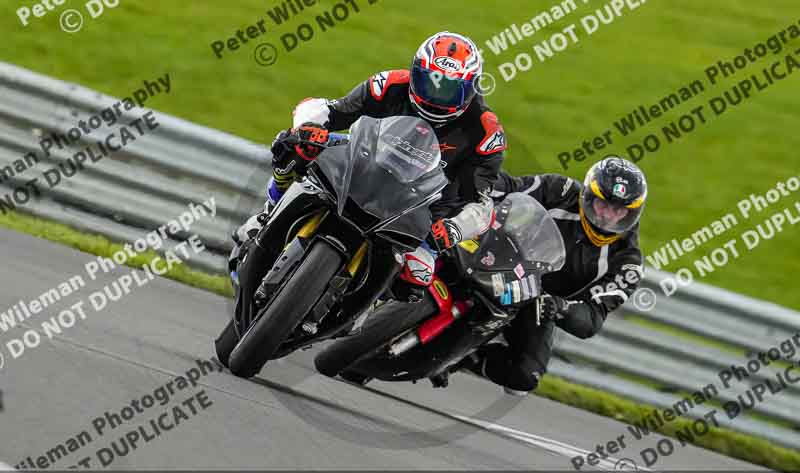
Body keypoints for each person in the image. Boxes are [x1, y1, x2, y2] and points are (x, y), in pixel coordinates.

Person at [231, 31, 507, 266]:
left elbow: (479, 203)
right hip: (362, 170)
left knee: (419, 274)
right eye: (430, 82)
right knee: (292, 146)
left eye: (448, 89)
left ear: (471, 89)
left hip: (419, 215)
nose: (435, 96)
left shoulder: (485, 131)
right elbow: (330, 109)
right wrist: (308, 128)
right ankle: (269, 213)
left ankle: (367, 309)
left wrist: (454, 229)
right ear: (415, 73)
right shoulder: (390, 84)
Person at [457, 156, 648, 395]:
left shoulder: (627, 264)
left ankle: (463, 358)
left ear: (631, 213)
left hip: (537, 301)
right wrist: (479, 183)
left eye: (618, 210)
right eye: (603, 204)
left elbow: (592, 318)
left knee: (524, 377)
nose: (607, 216)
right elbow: (512, 187)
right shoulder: (562, 191)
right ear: (589, 195)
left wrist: (560, 308)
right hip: (502, 258)